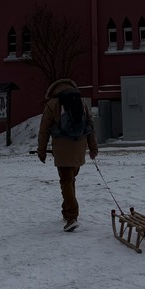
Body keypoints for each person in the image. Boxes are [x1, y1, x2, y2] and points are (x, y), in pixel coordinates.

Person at [37, 78, 98, 232]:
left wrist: (41, 150)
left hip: (62, 148)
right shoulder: (81, 103)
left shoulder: (52, 104)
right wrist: (93, 147)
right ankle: (67, 211)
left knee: (66, 180)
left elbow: (44, 129)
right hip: (79, 146)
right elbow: (90, 125)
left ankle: (72, 216)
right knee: (70, 180)